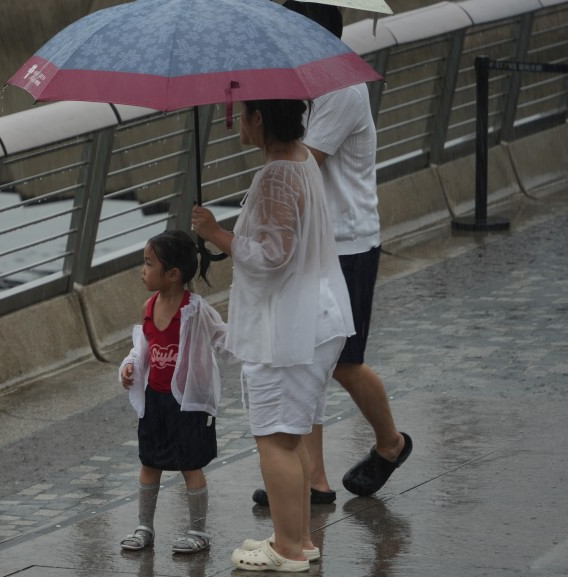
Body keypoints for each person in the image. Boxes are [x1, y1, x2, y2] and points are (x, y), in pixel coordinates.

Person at [247, 1, 412, 507]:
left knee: (343, 362)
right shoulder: (302, 85)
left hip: (349, 242)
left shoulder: (341, 89)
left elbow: (299, 162)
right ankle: (314, 481)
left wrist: (261, 123)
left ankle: (391, 443)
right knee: (305, 357)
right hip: (313, 243)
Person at [192, 97, 353, 572]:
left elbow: (274, 254)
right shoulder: (301, 160)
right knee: (292, 434)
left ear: (259, 118)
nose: (239, 121)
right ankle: (298, 537)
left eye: (243, 113)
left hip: (291, 325)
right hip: (315, 316)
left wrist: (215, 234)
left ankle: (286, 549)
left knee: (276, 438)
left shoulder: (280, 173)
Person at [117, 230, 227, 555]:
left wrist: (256, 348)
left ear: (173, 274)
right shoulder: (148, 307)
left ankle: (198, 531)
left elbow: (221, 336)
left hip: (187, 403)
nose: (143, 270)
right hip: (156, 400)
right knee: (149, 461)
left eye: (149, 264)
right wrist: (130, 365)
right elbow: (143, 348)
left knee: (190, 465)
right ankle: (144, 527)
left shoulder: (195, 310)